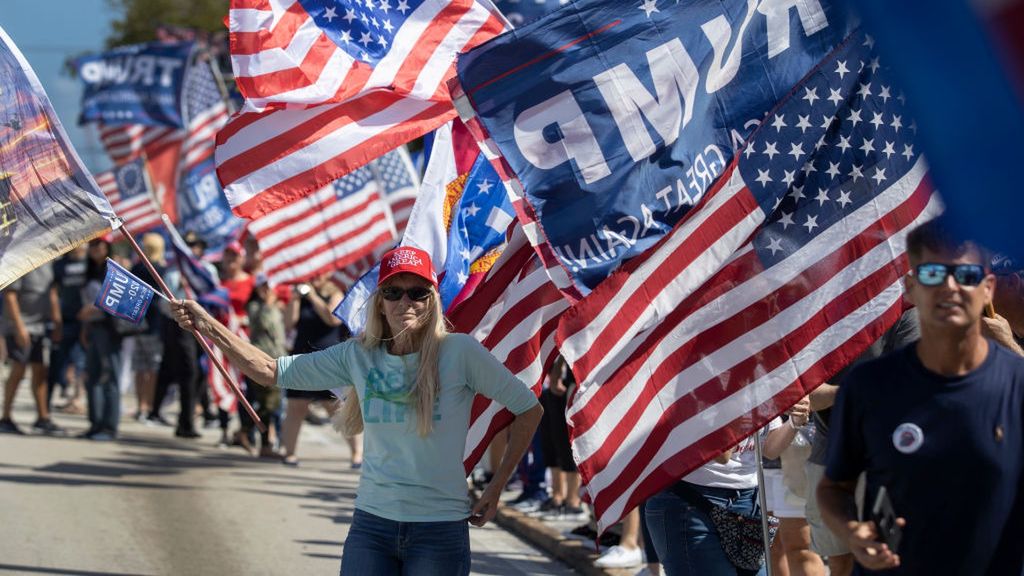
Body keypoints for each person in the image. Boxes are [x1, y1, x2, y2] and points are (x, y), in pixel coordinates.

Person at [170, 246, 543, 574]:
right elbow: (269, 371)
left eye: (417, 293)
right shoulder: (357, 355)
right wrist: (206, 324)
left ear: (432, 299)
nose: (405, 303)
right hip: (372, 525)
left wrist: (496, 487)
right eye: (393, 292)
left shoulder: (459, 352)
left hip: (439, 528)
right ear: (380, 300)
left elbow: (528, 408)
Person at [817, 220, 1024, 575]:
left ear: (988, 288)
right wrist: (854, 532)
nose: (950, 287)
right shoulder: (868, 387)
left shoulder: (1017, 384)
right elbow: (834, 488)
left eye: (966, 276)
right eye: (932, 274)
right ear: (911, 288)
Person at [804, 309, 918, 576]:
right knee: (840, 561)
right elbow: (808, 397)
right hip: (827, 453)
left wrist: (845, 393)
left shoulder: (903, 313)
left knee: (887, 555)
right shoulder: (819, 316)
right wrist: (859, 390)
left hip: (884, 456)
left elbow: (908, 385)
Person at [645, 399, 811, 576]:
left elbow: (769, 448)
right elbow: (722, 455)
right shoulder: (705, 383)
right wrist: (737, 397)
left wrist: (794, 421)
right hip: (691, 502)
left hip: (748, 502)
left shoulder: (758, 380)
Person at [280, 271, 348, 466]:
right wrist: (295, 299)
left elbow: (332, 319)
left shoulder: (335, 294)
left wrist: (312, 296)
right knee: (296, 406)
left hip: (328, 359)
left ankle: (357, 453)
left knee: (336, 407)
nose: (316, 277)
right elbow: (288, 323)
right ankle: (289, 453)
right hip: (301, 357)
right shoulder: (301, 297)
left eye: (320, 272)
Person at [0, 262, 63, 435]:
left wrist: (57, 321)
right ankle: (5, 418)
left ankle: (43, 418)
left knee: (41, 371)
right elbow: (10, 295)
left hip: (40, 327)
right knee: (18, 370)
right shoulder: (24, 261)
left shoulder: (49, 262)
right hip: (20, 326)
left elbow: (52, 293)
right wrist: (19, 327)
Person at [77, 238, 122, 441]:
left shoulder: (114, 269)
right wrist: (85, 327)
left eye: (100, 244)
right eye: (93, 245)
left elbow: (116, 300)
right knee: (92, 376)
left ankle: (109, 426)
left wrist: (91, 309)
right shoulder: (89, 271)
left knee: (111, 377)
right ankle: (95, 424)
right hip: (93, 328)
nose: (96, 248)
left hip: (110, 329)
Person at [130, 233, 167, 422]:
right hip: (154, 326)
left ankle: (141, 406)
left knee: (141, 368)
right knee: (151, 368)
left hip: (138, 324)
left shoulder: (137, 267)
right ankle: (148, 406)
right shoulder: (161, 269)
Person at [49, 244, 88, 415]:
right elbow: (53, 292)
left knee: (82, 361)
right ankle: (62, 394)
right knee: (60, 362)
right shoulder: (60, 265)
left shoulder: (90, 263)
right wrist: (56, 318)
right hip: (66, 319)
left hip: (86, 320)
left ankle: (78, 398)